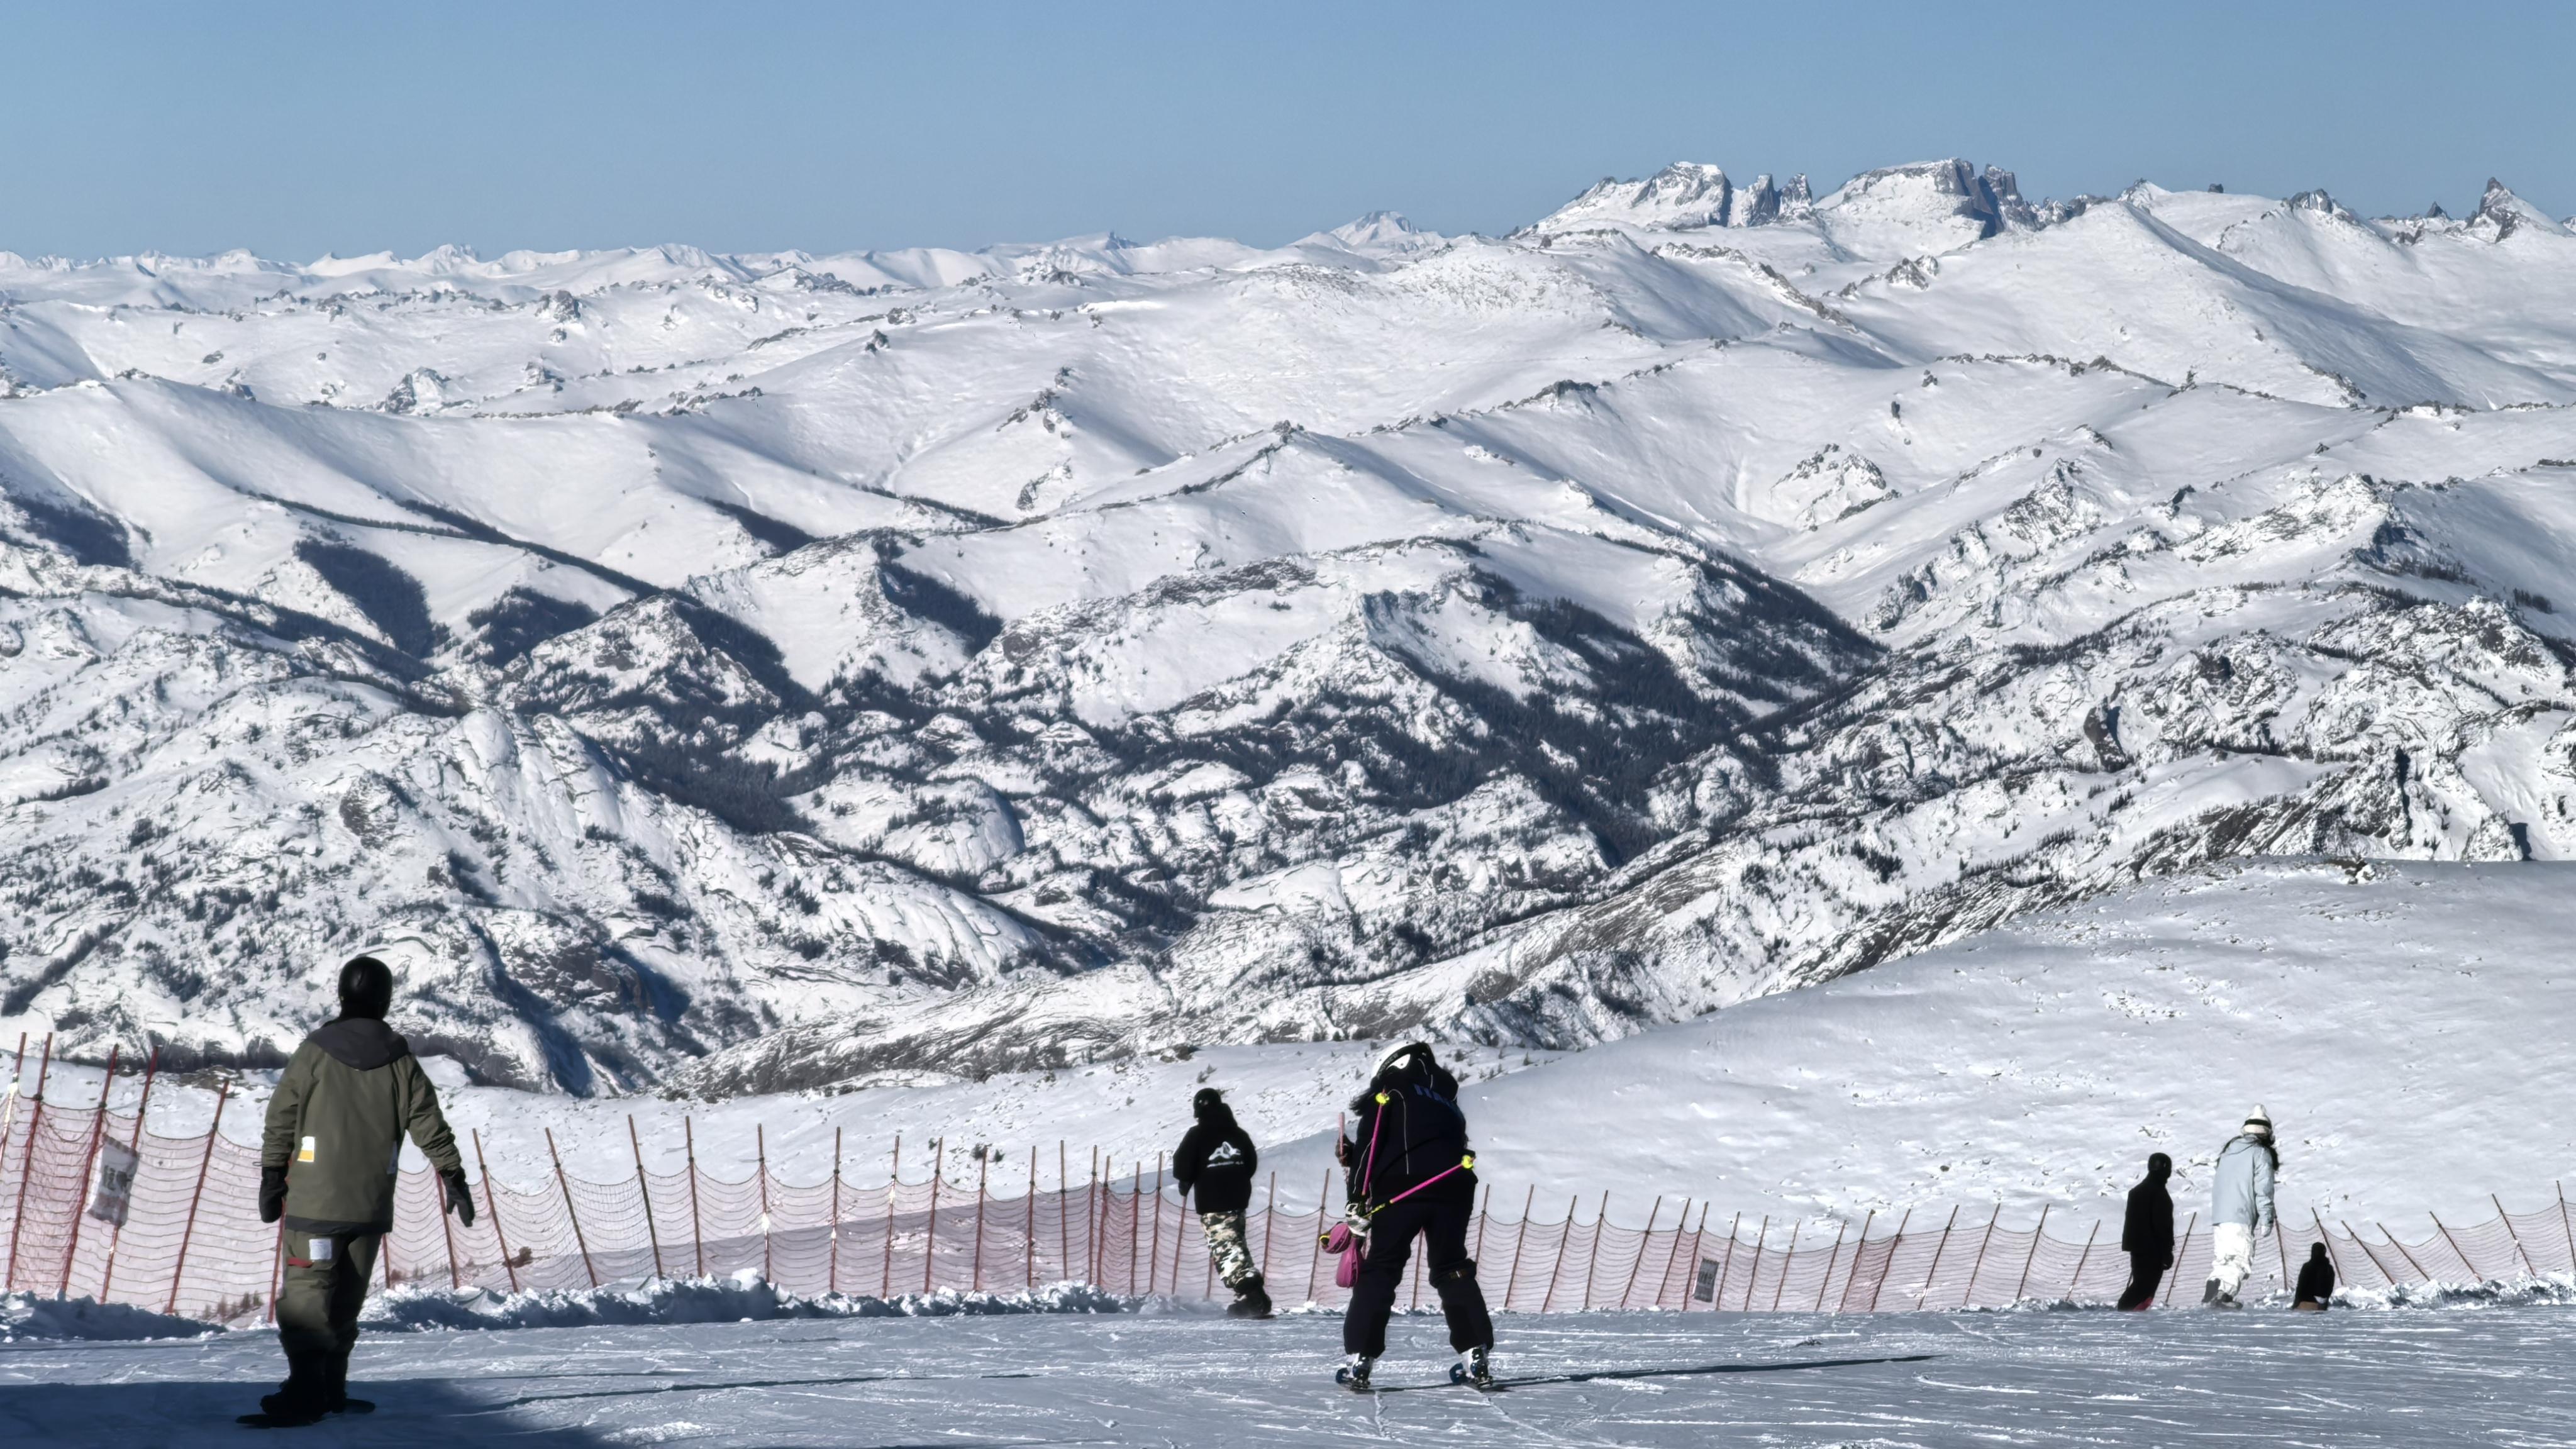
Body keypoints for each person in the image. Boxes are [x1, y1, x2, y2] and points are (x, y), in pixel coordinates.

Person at [253, 956, 473, 1426]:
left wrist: (273, 1174)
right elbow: (429, 1124)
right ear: (385, 1000)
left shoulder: (313, 1052)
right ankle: (333, 1388)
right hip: (370, 1204)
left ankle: (306, 1389)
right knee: (348, 1296)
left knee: (309, 1292)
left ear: (342, 996)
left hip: (315, 1201)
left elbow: (282, 1116)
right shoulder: (401, 1061)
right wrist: (453, 1176)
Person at [1335, 1042, 1495, 1391]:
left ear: (1392, 1065)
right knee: (1452, 1268)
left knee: (1382, 1269)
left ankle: (1360, 1359)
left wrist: (1356, 1201)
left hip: (1400, 1194)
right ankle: (1476, 1354)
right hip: (1453, 1190)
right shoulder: (1448, 1103)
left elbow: (1373, 1145)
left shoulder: (1390, 1091)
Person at [1172, 1087, 1271, 1317]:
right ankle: (1255, 1295)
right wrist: (1235, 1179)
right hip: (1238, 1199)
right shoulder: (1238, 1133)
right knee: (1236, 1243)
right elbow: (1251, 1163)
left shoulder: (1197, 1134)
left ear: (1198, 1110)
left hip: (1213, 1201)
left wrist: (1187, 1181)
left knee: (1225, 1248)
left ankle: (1251, 1296)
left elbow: (1182, 1165)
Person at [2202, 1106, 2277, 1309]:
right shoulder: (2260, 1153)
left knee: (2223, 1259)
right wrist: (2267, 1219)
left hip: (2220, 1217)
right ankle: (2222, 1298)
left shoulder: (2228, 1152)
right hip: (2241, 1216)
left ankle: (2212, 1293)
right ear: (2266, 1133)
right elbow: (2263, 1190)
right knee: (2239, 1259)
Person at [2117, 1153, 2175, 1310]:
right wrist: (2167, 1251)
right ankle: (2124, 1312)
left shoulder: (2137, 1191)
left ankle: (2126, 1311)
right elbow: (2162, 1225)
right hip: (2154, 1248)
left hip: (2137, 1247)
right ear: (2166, 1169)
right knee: (2145, 1288)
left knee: (2141, 1284)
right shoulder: (2159, 1193)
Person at [2292, 1242, 2336, 1311]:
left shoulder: (2307, 1267)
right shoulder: (2329, 1268)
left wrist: (2296, 1304)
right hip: (2323, 1305)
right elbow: (2330, 1286)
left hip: (2307, 1303)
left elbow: (2301, 1286)